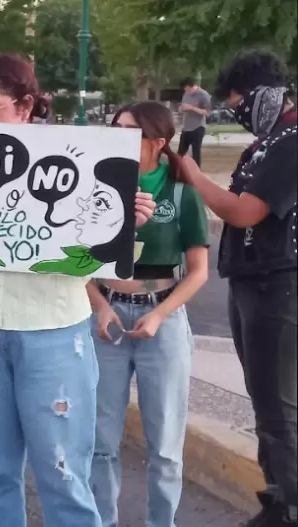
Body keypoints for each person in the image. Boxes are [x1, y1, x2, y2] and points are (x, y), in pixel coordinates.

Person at [0, 53, 156, 527]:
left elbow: (99, 267)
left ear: (25, 107)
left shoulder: (80, 165)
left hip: (52, 329)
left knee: (64, 476)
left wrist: (123, 225)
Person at [177, 50, 297, 527]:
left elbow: (246, 211)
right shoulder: (268, 142)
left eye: (241, 101)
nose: (239, 111)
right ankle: (277, 498)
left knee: (278, 405)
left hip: (278, 285)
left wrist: (196, 178)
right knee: (265, 400)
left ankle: (290, 507)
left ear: (269, 92)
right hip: (253, 281)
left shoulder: (291, 141)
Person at [88, 101, 210, 527]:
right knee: (101, 441)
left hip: (163, 318)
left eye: (130, 131)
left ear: (158, 143)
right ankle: (101, 519)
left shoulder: (181, 193)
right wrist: (99, 305)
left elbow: (198, 272)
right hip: (107, 320)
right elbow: (74, 261)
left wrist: (161, 315)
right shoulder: (95, 187)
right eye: (115, 127)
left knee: (164, 447)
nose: (118, 136)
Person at [177, 77, 212, 167]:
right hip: (186, 127)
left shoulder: (203, 95)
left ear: (193, 86)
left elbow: (207, 113)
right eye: (185, 90)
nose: (187, 92)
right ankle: (177, 172)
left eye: (188, 89)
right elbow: (183, 106)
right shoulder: (186, 94)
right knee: (180, 153)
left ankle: (197, 175)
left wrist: (192, 108)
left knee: (196, 153)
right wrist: (181, 109)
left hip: (198, 127)